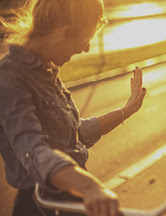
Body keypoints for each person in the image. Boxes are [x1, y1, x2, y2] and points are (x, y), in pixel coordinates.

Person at [0, 0, 146, 216]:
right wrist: (89, 186)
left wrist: (126, 110)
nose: (86, 49)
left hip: (72, 201)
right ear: (65, 33)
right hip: (43, 206)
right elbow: (34, 151)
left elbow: (75, 134)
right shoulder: (10, 77)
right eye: (85, 40)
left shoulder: (46, 70)